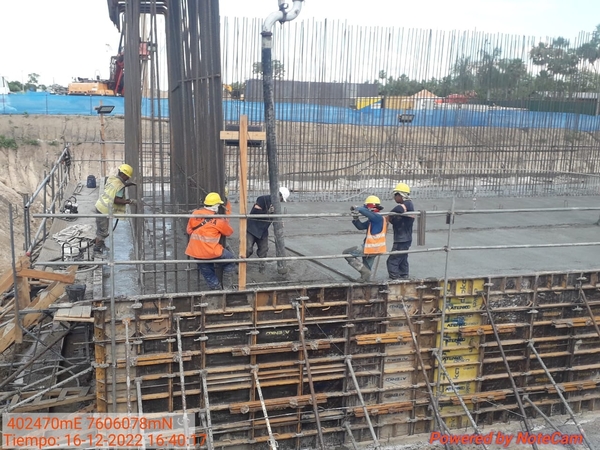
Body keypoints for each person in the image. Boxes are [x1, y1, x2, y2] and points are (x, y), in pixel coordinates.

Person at [185, 192, 236, 290]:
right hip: (212, 251)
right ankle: (227, 289)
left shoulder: (195, 214)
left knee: (209, 274)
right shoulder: (218, 220)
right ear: (216, 206)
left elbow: (189, 230)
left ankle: (216, 291)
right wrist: (224, 221)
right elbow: (229, 232)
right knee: (231, 261)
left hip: (196, 252)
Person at [93, 163, 136, 255]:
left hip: (100, 206)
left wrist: (127, 185)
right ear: (124, 175)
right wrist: (129, 201)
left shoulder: (112, 178)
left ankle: (101, 244)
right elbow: (116, 200)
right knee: (103, 231)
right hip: (104, 210)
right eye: (127, 177)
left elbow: (117, 184)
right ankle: (96, 250)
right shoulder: (120, 186)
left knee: (101, 229)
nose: (128, 178)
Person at [343, 195, 387, 282]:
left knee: (346, 253)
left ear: (370, 207)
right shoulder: (374, 219)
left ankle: (365, 273)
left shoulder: (377, 217)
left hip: (370, 247)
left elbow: (363, 210)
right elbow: (360, 227)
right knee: (367, 269)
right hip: (376, 248)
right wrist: (355, 218)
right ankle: (366, 283)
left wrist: (356, 208)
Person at [246, 187, 290, 272]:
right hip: (252, 228)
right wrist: (268, 212)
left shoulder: (277, 206)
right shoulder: (262, 199)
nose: (280, 201)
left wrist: (279, 223)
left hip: (263, 231)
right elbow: (254, 213)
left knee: (264, 250)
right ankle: (239, 266)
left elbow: (275, 219)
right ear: (279, 195)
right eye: (281, 199)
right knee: (247, 249)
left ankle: (261, 268)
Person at [387, 183, 415, 280]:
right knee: (402, 258)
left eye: (395, 195)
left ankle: (395, 278)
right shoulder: (409, 204)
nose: (394, 198)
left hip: (401, 239)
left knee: (392, 260)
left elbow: (397, 210)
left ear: (400, 195)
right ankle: (404, 275)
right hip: (406, 238)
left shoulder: (406, 205)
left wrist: (390, 216)